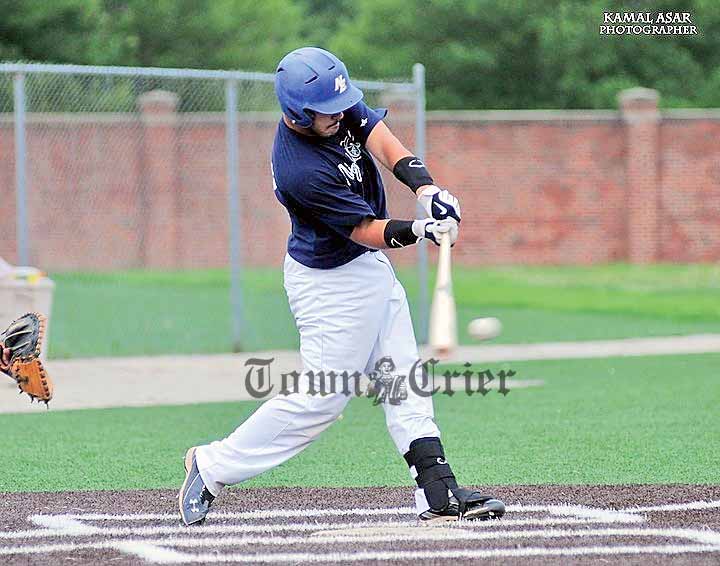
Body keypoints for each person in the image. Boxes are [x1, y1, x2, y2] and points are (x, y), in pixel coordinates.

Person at [179, 47, 505, 526]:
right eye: (326, 113)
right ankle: (210, 467)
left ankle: (438, 493)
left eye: (340, 106)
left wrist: (426, 189)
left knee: (405, 379)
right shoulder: (299, 169)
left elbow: (381, 139)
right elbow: (365, 229)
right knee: (323, 399)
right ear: (297, 113)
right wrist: (418, 230)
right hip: (329, 284)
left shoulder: (329, 102)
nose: (338, 116)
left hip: (367, 267)